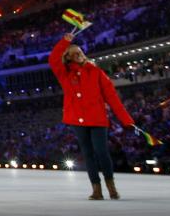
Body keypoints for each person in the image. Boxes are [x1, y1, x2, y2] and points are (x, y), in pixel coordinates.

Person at [49, 31, 134, 200]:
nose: (78, 55)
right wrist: (65, 41)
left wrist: (126, 120)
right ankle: (96, 189)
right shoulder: (64, 74)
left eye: (80, 52)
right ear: (68, 57)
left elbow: (112, 98)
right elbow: (53, 59)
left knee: (102, 151)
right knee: (88, 154)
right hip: (77, 120)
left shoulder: (96, 72)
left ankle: (111, 187)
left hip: (97, 118)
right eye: (74, 53)